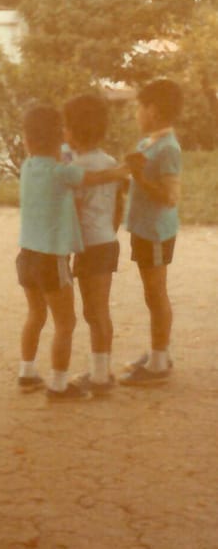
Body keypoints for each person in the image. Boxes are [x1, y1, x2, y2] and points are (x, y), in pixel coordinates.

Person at [15, 104, 128, 400]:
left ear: (26, 140)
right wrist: (123, 171)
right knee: (71, 321)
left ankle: (27, 372)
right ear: (58, 138)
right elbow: (97, 182)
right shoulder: (66, 170)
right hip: (61, 255)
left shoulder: (28, 167)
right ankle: (61, 384)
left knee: (36, 314)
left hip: (27, 255)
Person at [119, 79, 184, 386]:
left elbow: (170, 196)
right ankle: (158, 351)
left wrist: (139, 177)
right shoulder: (150, 143)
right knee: (151, 293)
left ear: (154, 111)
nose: (137, 114)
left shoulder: (168, 148)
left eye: (139, 108)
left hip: (156, 232)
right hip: (144, 230)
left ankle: (159, 362)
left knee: (156, 294)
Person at [62, 94, 125, 394]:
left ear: (73, 131)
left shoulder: (77, 170)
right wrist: (109, 230)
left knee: (94, 311)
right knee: (98, 310)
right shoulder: (110, 162)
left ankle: (100, 376)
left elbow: (72, 211)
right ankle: (101, 370)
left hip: (90, 247)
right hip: (107, 241)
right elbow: (118, 206)